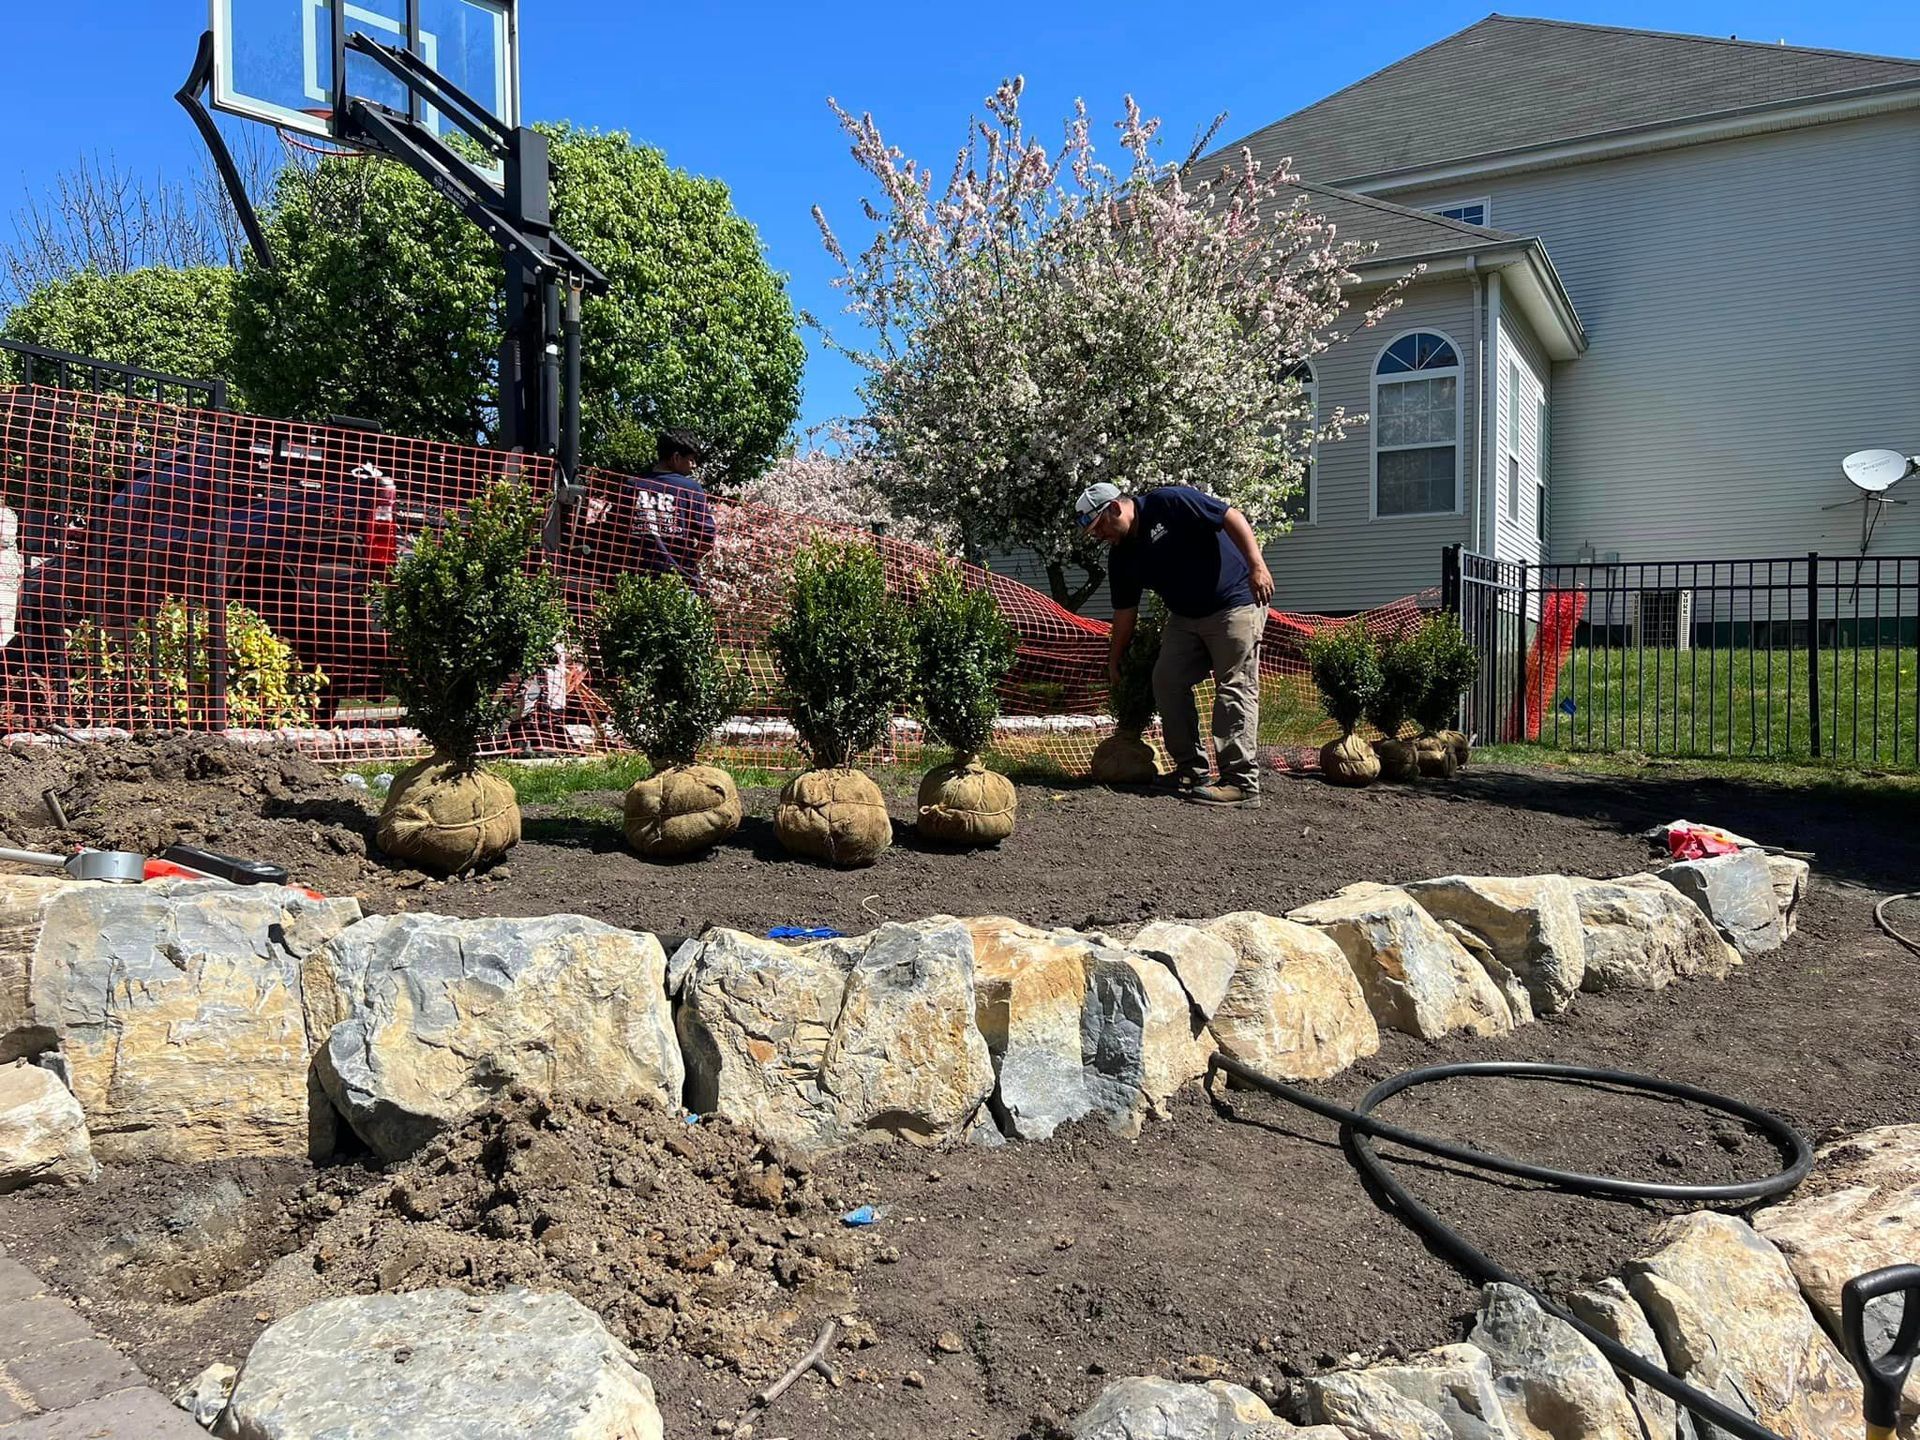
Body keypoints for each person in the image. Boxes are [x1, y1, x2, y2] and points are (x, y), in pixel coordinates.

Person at [1076, 481, 1275, 808]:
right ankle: (1191, 771)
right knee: (1167, 680)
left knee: (1233, 687)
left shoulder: (1168, 502)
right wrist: (1114, 660)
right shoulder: (1122, 555)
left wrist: (1257, 565)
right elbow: (1125, 612)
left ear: (1114, 508)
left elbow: (1231, 516)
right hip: (1185, 617)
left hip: (1234, 602)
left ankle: (1241, 783)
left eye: (1100, 527)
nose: (1099, 536)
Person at [622, 427, 717, 589]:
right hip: (679, 581)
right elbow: (707, 536)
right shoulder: (691, 489)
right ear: (676, 457)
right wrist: (688, 560)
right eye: (691, 459)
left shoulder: (632, 485)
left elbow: (616, 530)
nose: (693, 466)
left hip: (637, 580)